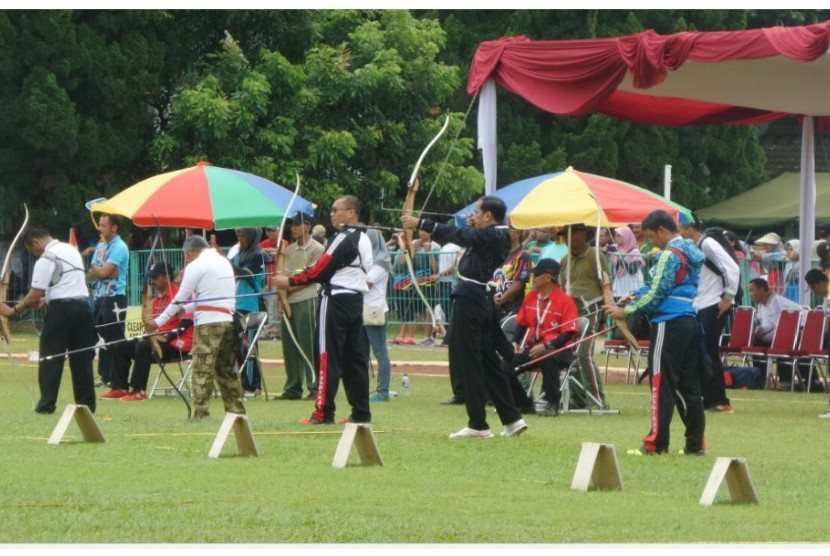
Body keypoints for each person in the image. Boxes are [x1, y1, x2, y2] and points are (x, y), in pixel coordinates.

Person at [401, 196, 528, 439]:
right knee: (489, 360)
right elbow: (470, 237)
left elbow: (462, 237)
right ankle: (512, 419)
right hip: (480, 298)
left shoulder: (492, 234)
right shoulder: (492, 233)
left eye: (478, 212)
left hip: (472, 299)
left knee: (468, 359)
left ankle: (478, 424)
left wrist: (423, 223)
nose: (474, 215)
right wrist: (472, 225)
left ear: (489, 216)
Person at [605, 209, 706, 456]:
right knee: (689, 386)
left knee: (661, 384)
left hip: (668, 323)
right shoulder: (690, 250)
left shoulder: (668, 254)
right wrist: (637, 293)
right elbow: (666, 286)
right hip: (690, 320)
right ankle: (695, 445)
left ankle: (655, 444)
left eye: (651, 236)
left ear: (662, 230)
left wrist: (627, 310)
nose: (651, 242)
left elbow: (658, 294)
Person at [274, 195, 372, 426]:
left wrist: (290, 282)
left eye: (336, 209)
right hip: (354, 301)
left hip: (335, 300)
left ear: (351, 213)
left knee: (327, 357)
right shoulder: (363, 238)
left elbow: (321, 270)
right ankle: (361, 413)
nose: (331, 213)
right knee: (354, 358)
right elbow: (332, 266)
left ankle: (323, 412)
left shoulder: (343, 236)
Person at [146, 235, 245, 421]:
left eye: (186, 256)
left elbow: (180, 296)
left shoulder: (196, 265)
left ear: (190, 252)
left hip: (208, 324)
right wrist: (185, 309)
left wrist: (158, 322)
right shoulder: (223, 262)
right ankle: (236, 412)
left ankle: (201, 414)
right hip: (228, 321)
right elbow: (208, 299)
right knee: (226, 370)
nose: (186, 260)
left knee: (201, 369)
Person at [0, 228, 97, 414]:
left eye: (32, 250)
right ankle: (87, 406)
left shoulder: (47, 257)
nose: (35, 254)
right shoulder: (71, 250)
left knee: (51, 357)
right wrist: (47, 298)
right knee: (82, 359)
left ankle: (46, 404)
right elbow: (67, 282)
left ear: (36, 243)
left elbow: (35, 292)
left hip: (62, 312)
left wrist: (13, 310)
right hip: (83, 310)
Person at [678, 219, 741, 414]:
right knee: (701, 351)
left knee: (709, 351)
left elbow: (732, 268)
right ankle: (708, 398)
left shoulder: (707, 243)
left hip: (714, 303)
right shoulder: (697, 247)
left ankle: (719, 400)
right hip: (703, 304)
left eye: (680, 229)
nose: (679, 233)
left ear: (690, 229)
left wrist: (728, 296)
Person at [504, 258, 579, 417]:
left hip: (559, 350)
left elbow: (569, 333)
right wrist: (515, 342)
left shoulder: (566, 301)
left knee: (548, 357)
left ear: (547, 277)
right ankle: (523, 403)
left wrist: (547, 346)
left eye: (536, 274)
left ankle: (551, 402)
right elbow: (523, 324)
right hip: (533, 348)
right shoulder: (531, 297)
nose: (533, 278)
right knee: (505, 365)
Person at [116, 262, 194, 402]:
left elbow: (187, 321)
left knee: (143, 346)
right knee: (122, 346)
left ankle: (138, 390)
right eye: (151, 277)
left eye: (156, 277)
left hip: (176, 345)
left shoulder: (179, 295)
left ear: (167, 276)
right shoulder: (158, 299)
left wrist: (167, 337)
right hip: (157, 340)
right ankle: (119, 388)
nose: (152, 281)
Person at [558, 223, 611, 410]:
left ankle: (598, 400)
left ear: (581, 234)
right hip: (570, 312)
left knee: (583, 353)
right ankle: (579, 399)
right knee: (569, 354)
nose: (567, 238)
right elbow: (561, 286)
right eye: (565, 235)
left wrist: (606, 310)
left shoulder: (596, 256)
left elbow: (605, 284)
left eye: (570, 234)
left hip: (591, 310)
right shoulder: (565, 260)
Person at [273, 212, 324, 401]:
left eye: (297, 224)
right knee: (289, 345)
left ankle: (314, 386)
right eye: (291, 225)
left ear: (308, 226)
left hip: (306, 298)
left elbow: (312, 276)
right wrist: (282, 296)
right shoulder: (290, 249)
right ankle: (293, 386)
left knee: (308, 344)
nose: (293, 228)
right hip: (289, 300)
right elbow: (281, 274)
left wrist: (287, 287)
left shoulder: (317, 248)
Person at [747, 277, 817, 390]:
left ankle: (788, 380)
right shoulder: (761, 305)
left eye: (752, 290)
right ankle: (760, 378)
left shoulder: (777, 303)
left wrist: (764, 337)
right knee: (757, 343)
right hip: (785, 331)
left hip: (803, 328)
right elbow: (770, 324)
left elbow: (781, 328)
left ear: (761, 290)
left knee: (781, 342)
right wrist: (760, 330)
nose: (750, 294)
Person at [89, 214, 130, 398]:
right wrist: (102, 271)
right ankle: (107, 377)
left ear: (114, 227)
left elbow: (105, 271)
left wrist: (102, 271)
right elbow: (94, 271)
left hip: (114, 298)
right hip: (99, 296)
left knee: (116, 339)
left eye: (104, 225)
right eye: (99, 224)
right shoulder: (101, 245)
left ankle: (120, 384)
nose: (100, 228)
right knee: (101, 337)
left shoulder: (120, 247)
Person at [229, 228, 267, 398]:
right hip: (234, 305)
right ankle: (243, 383)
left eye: (243, 236)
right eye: (238, 235)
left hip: (250, 305)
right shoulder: (238, 254)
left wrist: (225, 261)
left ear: (251, 237)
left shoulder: (259, 255)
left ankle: (252, 385)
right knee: (237, 347)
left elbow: (246, 274)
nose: (240, 239)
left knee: (248, 346)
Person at [364, 228, 394, 402]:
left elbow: (367, 283)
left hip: (374, 309)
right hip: (365, 307)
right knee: (363, 351)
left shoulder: (381, 261)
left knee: (380, 351)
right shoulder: (371, 260)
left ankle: (383, 391)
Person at [493, 227, 532, 318]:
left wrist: (501, 300)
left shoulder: (523, 256)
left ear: (517, 233)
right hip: (495, 307)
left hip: (512, 309)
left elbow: (517, 285)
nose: (503, 235)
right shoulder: (500, 255)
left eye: (507, 231)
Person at [610, 226, 645, 299]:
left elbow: (633, 270)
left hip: (633, 284)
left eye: (619, 236)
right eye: (615, 236)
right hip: (620, 284)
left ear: (626, 237)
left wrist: (621, 260)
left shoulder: (635, 251)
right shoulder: (618, 249)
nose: (616, 238)